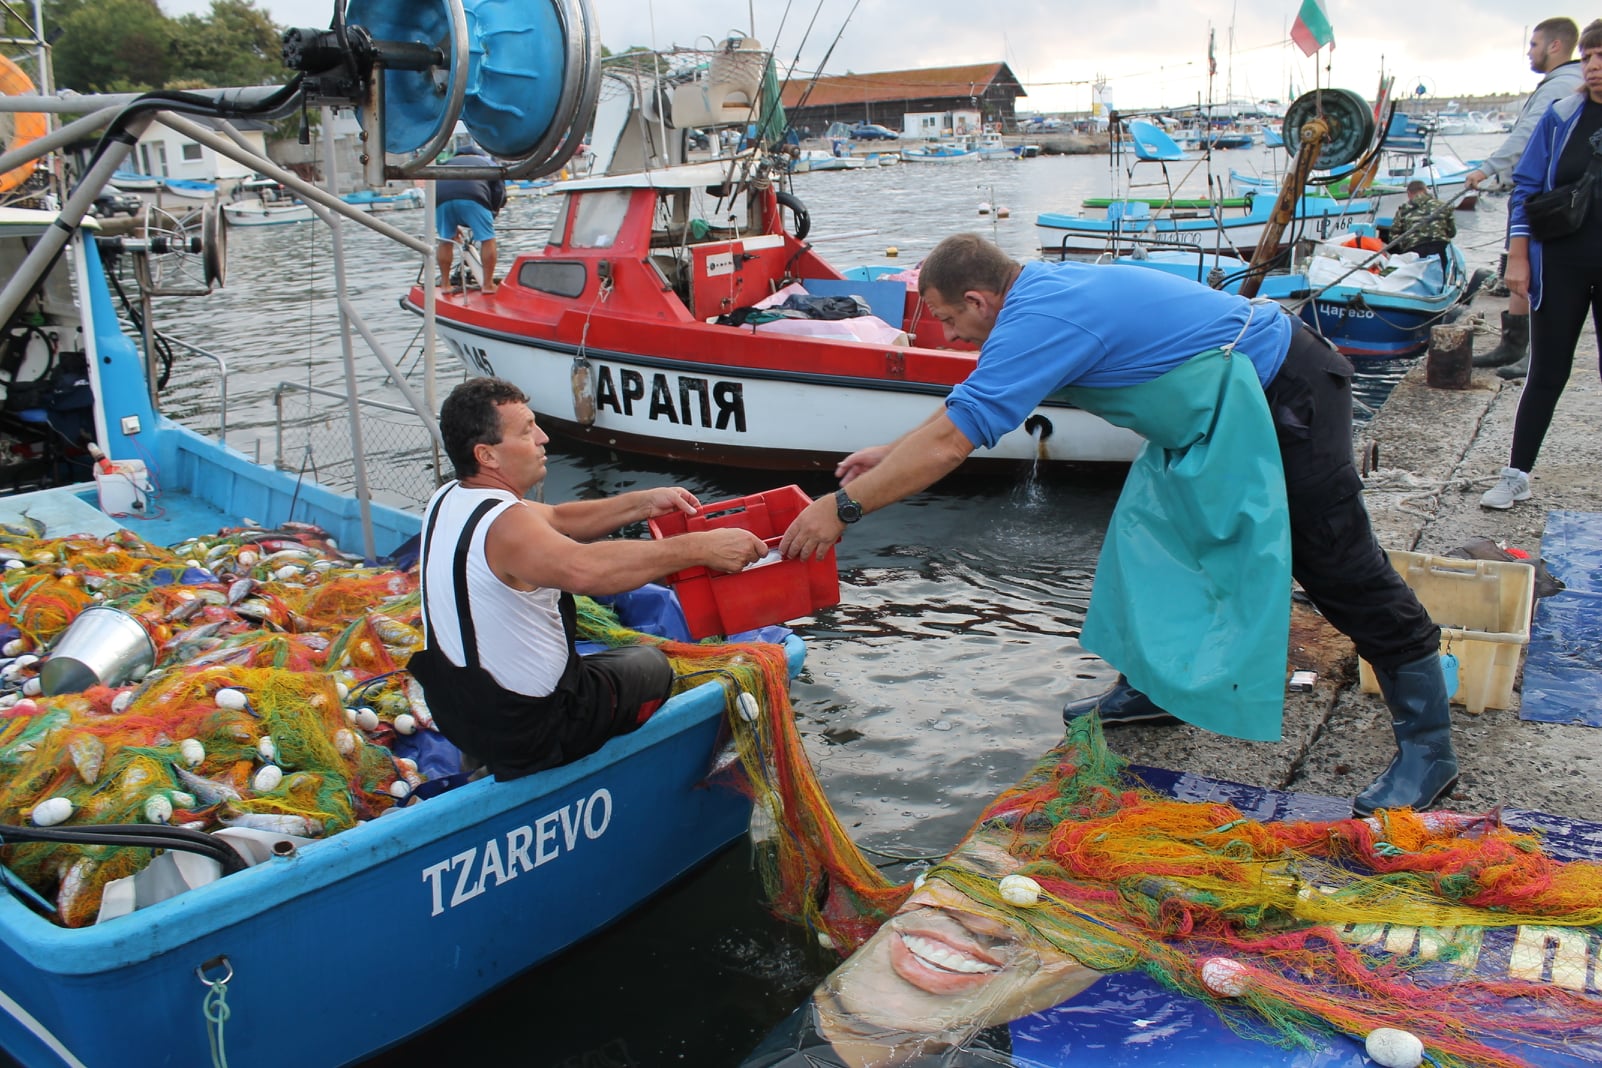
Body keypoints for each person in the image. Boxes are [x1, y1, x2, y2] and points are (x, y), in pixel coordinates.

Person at [779, 233, 1455, 817]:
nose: (951, 337)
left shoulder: (1038, 319)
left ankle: (1429, 746)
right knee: (1153, 539)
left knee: (1336, 563)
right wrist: (889, 454)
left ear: (981, 300)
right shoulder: (1033, 298)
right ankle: (1154, 687)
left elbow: (954, 443)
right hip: (1210, 411)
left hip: (1284, 389)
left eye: (953, 321)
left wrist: (842, 509)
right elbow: (963, 408)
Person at [406, 376, 766, 779]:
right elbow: (585, 568)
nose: (543, 437)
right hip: (531, 729)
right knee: (650, 665)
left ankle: (481, 758)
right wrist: (699, 547)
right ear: (487, 455)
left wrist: (646, 501)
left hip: (458, 715)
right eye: (527, 431)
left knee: (601, 663)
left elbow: (559, 519)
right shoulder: (506, 528)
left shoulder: (451, 497)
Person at [1480, 21, 1602, 511]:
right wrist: (1517, 255)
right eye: (1589, 57)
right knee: (1547, 372)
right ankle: (1516, 475)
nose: (1594, 66)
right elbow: (1526, 187)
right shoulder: (1562, 115)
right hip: (1562, 262)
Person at [1466, 17, 1582, 377]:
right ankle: (1513, 345)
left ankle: (1534, 352)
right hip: (1541, 197)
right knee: (1523, 269)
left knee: (1540, 271)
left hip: (1550, 200)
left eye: (1534, 45)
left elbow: (1528, 139)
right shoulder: (1560, 84)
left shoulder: (1560, 86)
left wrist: (1486, 169)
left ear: (1555, 46)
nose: (1530, 53)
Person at [435, 141, 506, 294]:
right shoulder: (487, 162)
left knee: (445, 240)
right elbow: (499, 192)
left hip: (441, 200)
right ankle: (487, 285)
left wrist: (453, 223)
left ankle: (445, 285)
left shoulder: (445, 163)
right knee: (487, 238)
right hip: (474, 197)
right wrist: (492, 213)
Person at [1389, 180, 1456, 266]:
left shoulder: (1403, 210)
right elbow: (1452, 233)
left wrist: (1405, 246)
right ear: (1425, 190)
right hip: (1440, 247)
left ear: (1409, 193)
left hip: (1415, 249)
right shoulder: (1442, 205)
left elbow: (1393, 237)